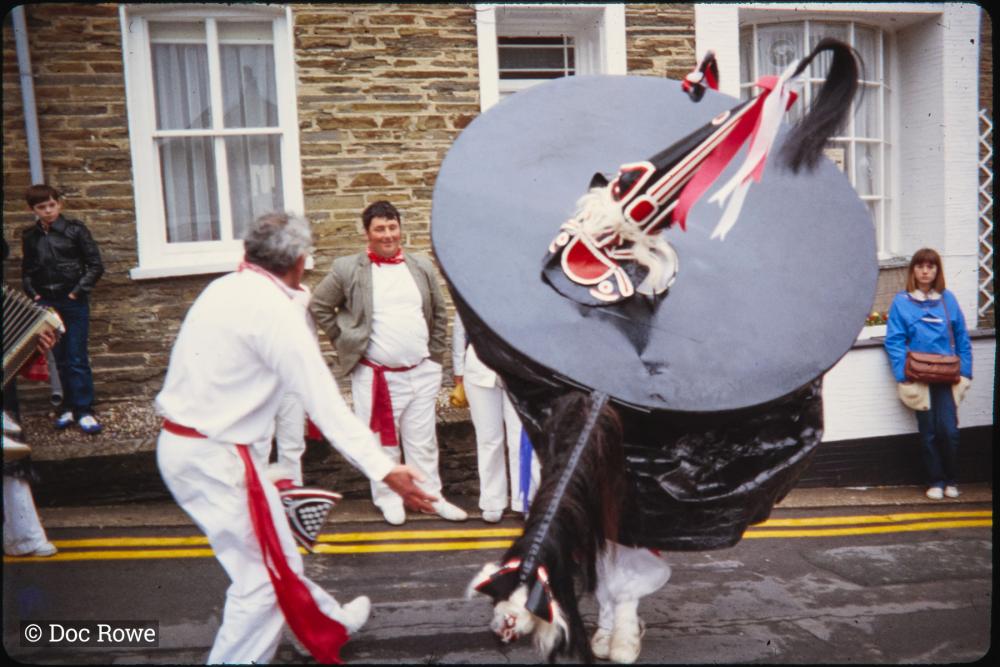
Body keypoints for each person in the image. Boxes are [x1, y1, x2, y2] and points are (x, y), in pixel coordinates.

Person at [155, 212, 437, 664]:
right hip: (218, 458)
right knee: (261, 582)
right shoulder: (276, 313)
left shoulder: (223, 288)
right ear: (300, 260)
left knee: (278, 555)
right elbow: (326, 405)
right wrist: (385, 469)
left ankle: (329, 623)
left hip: (192, 446)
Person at [310, 200, 467, 526]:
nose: (388, 235)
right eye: (379, 229)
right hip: (376, 376)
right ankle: (388, 499)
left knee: (423, 443)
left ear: (400, 228)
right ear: (367, 233)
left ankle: (431, 498)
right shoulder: (348, 268)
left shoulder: (420, 265)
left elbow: (439, 313)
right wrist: (346, 342)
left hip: (421, 372)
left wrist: (434, 358)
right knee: (382, 444)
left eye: (392, 227)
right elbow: (320, 305)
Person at [884, 248, 973, 500]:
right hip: (918, 376)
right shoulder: (901, 302)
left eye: (930, 267)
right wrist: (903, 375)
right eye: (920, 266)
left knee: (949, 431)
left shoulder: (948, 300)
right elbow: (894, 341)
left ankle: (951, 480)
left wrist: (965, 374)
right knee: (929, 432)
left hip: (947, 377)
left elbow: (962, 338)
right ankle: (935, 481)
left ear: (937, 271)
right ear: (913, 270)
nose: (925, 271)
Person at [21, 184, 104, 434]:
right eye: (41, 207)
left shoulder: (75, 230)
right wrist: (35, 295)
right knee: (60, 359)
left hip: (73, 302)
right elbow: (27, 271)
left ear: (59, 204)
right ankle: (67, 408)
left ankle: (85, 410)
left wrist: (76, 292)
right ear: (33, 210)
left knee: (77, 357)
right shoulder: (30, 236)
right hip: (47, 304)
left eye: (52, 205)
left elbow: (95, 265)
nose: (48, 211)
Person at [452, 314, 539, 523]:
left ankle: (525, 499)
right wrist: (458, 371)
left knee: (520, 439)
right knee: (488, 439)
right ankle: (492, 501)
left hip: (519, 371)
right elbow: (460, 328)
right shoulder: (475, 293)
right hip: (479, 368)